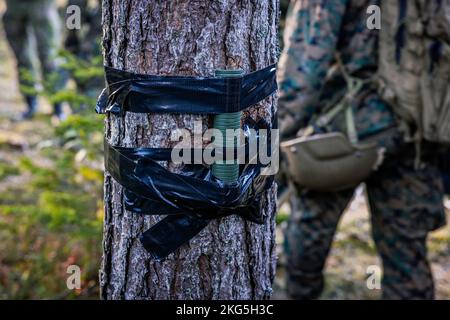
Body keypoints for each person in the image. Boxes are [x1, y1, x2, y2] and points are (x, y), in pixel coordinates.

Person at [278, 0, 446, 299]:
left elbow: (304, 66)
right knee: (407, 261)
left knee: (308, 240)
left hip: (343, 134)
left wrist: (278, 138)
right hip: (414, 132)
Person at [3, 0, 66, 120]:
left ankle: (58, 107)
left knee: (49, 56)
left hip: (41, 5)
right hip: (14, 5)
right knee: (22, 57)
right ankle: (30, 104)